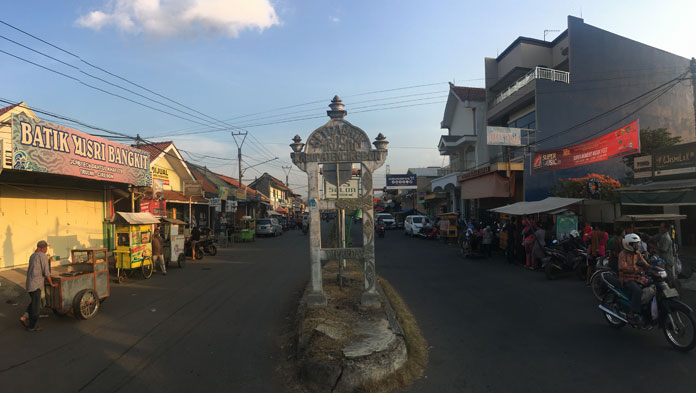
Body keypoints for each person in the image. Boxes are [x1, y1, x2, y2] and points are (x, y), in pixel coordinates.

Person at [20, 240, 57, 332]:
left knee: (33, 302)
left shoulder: (32, 255)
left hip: (30, 283)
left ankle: (24, 317)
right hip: (36, 285)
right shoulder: (42, 256)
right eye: (45, 248)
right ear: (41, 248)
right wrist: (51, 283)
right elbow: (46, 271)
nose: (46, 250)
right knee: (36, 307)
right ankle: (31, 326)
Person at [618, 233, 650, 323]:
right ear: (629, 244)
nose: (637, 246)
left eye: (637, 244)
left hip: (639, 277)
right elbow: (622, 268)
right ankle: (632, 313)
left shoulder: (637, 253)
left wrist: (653, 267)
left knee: (652, 285)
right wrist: (635, 271)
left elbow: (645, 263)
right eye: (635, 244)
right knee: (638, 290)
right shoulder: (623, 254)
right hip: (627, 278)